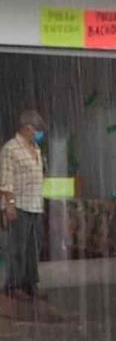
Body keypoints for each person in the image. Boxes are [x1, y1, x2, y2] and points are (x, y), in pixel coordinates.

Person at [0, 110, 47, 300]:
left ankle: (30, 283)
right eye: (37, 130)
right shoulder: (10, 149)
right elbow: (5, 179)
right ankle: (13, 285)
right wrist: (9, 204)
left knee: (33, 247)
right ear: (27, 128)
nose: (39, 134)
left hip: (35, 204)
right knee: (17, 247)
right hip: (18, 205)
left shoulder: (35, 147)